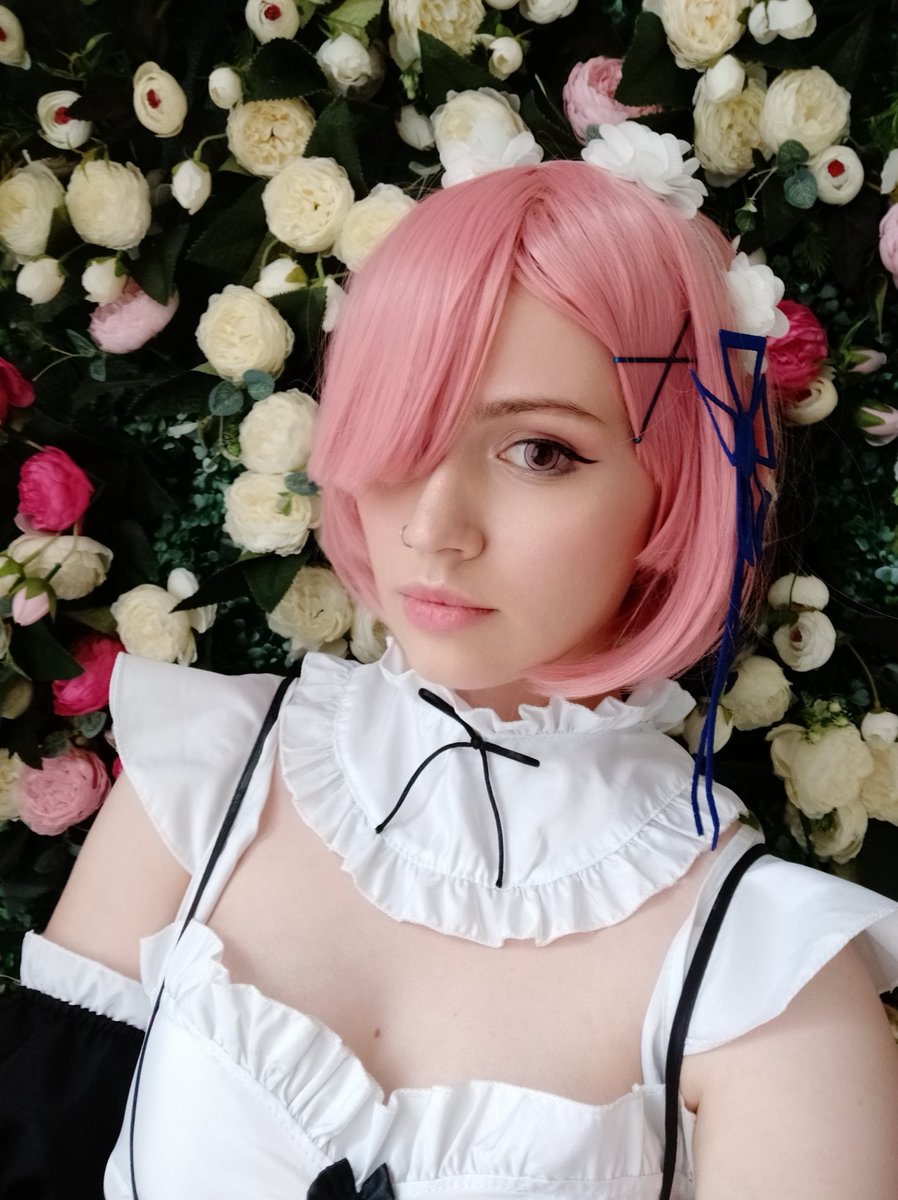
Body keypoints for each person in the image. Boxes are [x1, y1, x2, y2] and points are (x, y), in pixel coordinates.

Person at [2, 155, 898, 1200]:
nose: (432, 527)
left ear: (677, 487)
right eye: (405, 425)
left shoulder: (770, 977)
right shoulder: (200, 779)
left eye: (539, 452)